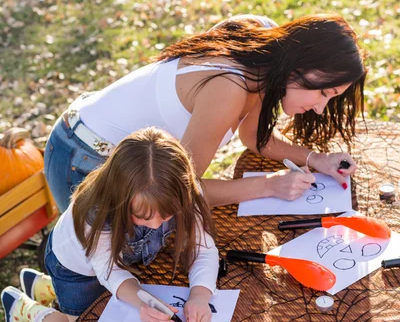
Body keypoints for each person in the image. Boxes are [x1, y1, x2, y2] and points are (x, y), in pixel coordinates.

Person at [44, 13, 366, 213]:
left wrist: (314, 159)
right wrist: (269, 185)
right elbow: (177, 191)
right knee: (109, 277)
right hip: (84, 160)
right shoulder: (229, 88)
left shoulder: (262, 38)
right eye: (323, 92)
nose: (322, 107)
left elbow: (254, 136)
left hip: (86, 131)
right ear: (299, 63)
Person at [1, 128, 218, 322]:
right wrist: (143, 303)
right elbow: (108, 270)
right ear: (119, 198)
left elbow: (204, 249)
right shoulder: (94, 215)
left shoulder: (187, 190)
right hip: (73, 269)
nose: (154, 226)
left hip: (113, 261)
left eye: (167, 215)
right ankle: (25, 309)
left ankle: (44, 287)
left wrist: (200, 296)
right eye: (143, 217)